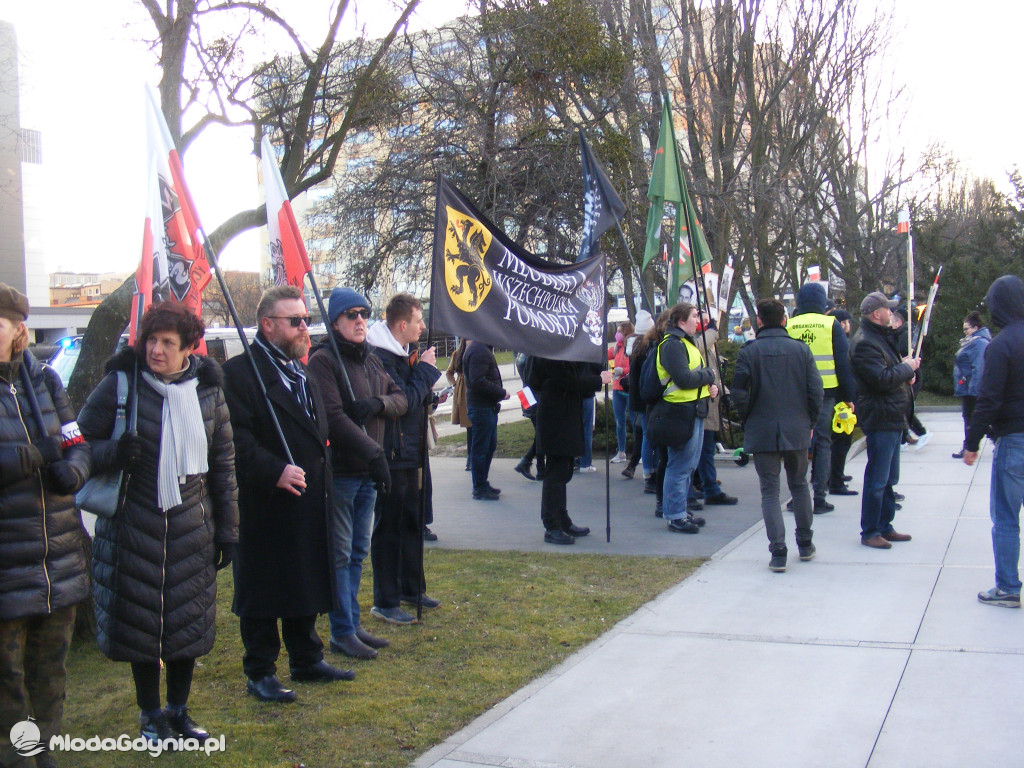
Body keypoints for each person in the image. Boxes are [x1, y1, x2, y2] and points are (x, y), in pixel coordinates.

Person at [79, 301, 237, 744]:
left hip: (192, 528)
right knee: (140, 626)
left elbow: (223, 465)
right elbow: (76, 444)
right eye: (151, 339)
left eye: (168, 342)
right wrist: (113, 453)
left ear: (189, 347)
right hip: (132, 526)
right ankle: (150, 715)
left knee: (186, 623)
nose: (157, 350)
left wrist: (228, 530)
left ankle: (179, 712)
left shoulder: (208, 393)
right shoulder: (119, 384)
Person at [222, 286, 350, 704]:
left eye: (306, 319)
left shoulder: (303, 369)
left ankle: (306, 657)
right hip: (263, 502)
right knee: (263, 587)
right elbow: (232, 438)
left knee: (305, 578)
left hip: (310, 496)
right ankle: (260, 670)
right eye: (295, 321)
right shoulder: (241, 372)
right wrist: (272, 469)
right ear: (268, 325)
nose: (304, 328)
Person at [0, 285, 90, 768]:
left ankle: (44, 752)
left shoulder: (47, 383)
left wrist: (73, 470)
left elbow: (77, 441)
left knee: (49, 670)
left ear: (18, 329)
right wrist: (32, 456)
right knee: (6, 678)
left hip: (57, 558)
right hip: (6, 562)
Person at [307, 288, 407, 660]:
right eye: (351, 315)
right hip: (344, 472)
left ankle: (353, 623)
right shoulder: (324, 361)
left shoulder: (371, 360)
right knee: (341, 553)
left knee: (357, 553)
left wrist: (377, 403)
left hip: (368, 471)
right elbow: (334, 419)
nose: (360, 320)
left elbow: (401, 398)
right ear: (335, 321)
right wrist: (374, 452)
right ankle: (342, 630)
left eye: (364, 313)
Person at [367, 293, 442, 624]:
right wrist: (425, 372)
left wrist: (430, 394)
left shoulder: (403, 354)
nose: (423, 325)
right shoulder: (380, 358)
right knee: (389, 528)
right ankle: (385, 599)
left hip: (412, 452)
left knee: (413, 523)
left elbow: (415, 400)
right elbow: (403, 402)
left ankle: (412, 587)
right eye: (418, 320)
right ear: (402, 325)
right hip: (392, 454)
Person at [732, 298, 823, 572]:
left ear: (759, 321)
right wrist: (811, 421)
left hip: (762, 427)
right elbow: (815, 391)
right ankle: (805, 543)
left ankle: (778, 550)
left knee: (770, 491)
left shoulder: (748, 352)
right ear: (784, 320)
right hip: (796, 426)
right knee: (799, 485)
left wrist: (748, 418)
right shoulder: (801, 350)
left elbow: (739, 393)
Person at [962, 276, 1024, 607]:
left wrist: (971, 442)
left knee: (1006, 518)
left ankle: (1008, 588)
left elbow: (988, 399)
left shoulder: (1001, 345)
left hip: (1014, 440)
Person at [848, 291, 919, 549]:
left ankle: (884, 525)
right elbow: (880, 379)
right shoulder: (866, 342)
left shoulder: (879, 337)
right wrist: (906, 369)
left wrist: (905, 373)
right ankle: (870, 530)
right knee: (878, 477)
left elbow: (890, 372)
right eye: (888, 309)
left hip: (891, 414)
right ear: (876, 313)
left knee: (889, 477)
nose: (892, 313)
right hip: (880, 415)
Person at [786, 282, 856, 513]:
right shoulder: (831, 324)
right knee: (823, 444)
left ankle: (797, 496)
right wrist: (848, 396)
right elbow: (843, 363)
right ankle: (819, 497)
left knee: (798, 445)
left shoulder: (790, 325)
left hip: (796, 394)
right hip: (827, 393)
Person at [528, 356, 612, 544]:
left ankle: (561, 519)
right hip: (555, 417)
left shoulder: (560, 350)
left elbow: (578, 370)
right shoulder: (549, 353)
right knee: (556, 473)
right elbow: (567, 381)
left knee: (564, 471)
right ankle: (552, 525)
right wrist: (598, 380)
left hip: (564, 414)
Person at [653, 303, 719, 534]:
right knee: (679, 465)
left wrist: (709, 387)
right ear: (681, 321)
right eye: (694, 316)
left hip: (692, 410)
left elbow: (692, 378)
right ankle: (675, 515)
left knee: (687, 465)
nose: (698, 320)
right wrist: (709, 375)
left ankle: (679, 509)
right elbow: (683, 379)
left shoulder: (685, 343)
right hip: (680, 412)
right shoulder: (672, 345)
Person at [691, 311, 739, 508]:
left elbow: (715, 374)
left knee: (705, 449)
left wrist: (723, 391)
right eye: (697, 318)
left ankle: (707, 486)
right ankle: (707, 487)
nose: (702, 323)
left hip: (711, 401)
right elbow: (700, 345)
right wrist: (712, 330)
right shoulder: (695, 342)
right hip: (703, 404)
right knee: (703, 450)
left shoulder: (705, 345)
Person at [462, 339, 509, 499]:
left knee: (488, 446)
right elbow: (478, 381)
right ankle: (479, 487)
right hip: (481, 407)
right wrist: (501, 393)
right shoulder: (479, 350)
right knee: (481, 448)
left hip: (485, 406)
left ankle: (482, 483)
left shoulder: (480, 348)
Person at [890, 307, 931, 451]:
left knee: (905, 408)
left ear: (898, 322)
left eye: (892, 322)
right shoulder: (899, 334)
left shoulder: (904, 336)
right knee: (903, 407)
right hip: (906, 373)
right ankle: (903, 439)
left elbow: (905, 354)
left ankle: (921, 433)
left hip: (910, 374)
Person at [952, 311, 991, 459]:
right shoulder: (973, 342)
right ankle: (995, 439)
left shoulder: (978, 343)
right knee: (974, 418)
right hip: (968, 386)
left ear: (975, 328)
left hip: (971, 389)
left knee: (972, 418)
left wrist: (974, 390)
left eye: (967, 329)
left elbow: (978, 368)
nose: (964, 332)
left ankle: (968, 446)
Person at [828, 308, 858, 495]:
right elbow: (845, 371)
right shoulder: (842, 344)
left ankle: (835, 475)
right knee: (841, 439)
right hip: (840, 399)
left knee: (836, 441)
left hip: (833, 397)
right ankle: (836, 479)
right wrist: (849, 397)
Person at [621, 310, 654, 479]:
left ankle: (635, 465)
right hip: (645, 397)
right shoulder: (648, 347)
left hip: (635, 397)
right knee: (646, 435)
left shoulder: (633, 346)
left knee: (640, 432)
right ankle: (647, 470)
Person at [513, 352, 544, 481]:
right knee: (542, 433)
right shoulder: (532, 355)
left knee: (540, 433)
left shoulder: (521, 354)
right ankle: (527, 462)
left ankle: (541, 469)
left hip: (526, 393)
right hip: (534, 395)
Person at [445, 339, 472, 475]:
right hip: (463, 390)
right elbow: (449, 372)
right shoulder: (457, 354)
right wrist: (455, 384)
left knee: (475, 426)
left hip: (474, 387)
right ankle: (470, 458)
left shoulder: (476, 351)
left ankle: (475, 457)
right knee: (469, 426)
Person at [608, 321, 634, 464]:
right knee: (619, 422)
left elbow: (634, 366)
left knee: (635, 422)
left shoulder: (632, 347)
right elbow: (605, 354)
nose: (617, 334)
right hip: (617, 388)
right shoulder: (617, 348)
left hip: (629, 389)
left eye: (619, 331)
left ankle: (640, 452)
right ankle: (622, 451)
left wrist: (623, 371)